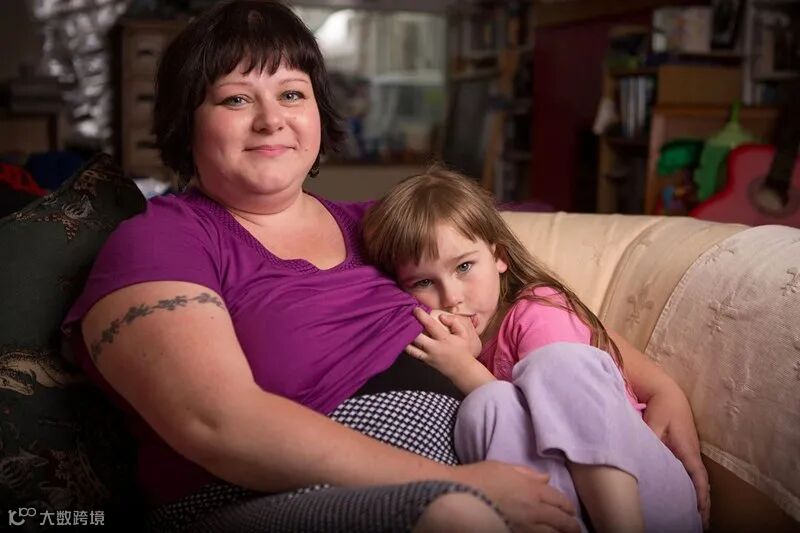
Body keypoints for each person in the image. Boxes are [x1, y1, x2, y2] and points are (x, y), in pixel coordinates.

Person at [60, 1, 707, 531]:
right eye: (235, 99)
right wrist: (459, 483)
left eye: (292, 93)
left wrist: (656, 384)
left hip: (489, 461)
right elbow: (217, 424)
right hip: (256, 499)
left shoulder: (374, 225)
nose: (271, 120)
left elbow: (515, 284)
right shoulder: (160, 242)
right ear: (185, 122)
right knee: (459, 518)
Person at [362, 168, 704, 532]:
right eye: (424, 282)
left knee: (556, 362)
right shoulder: (440, 344)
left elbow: (561, 410)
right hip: (571, 504)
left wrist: (464, 368)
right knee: (483, 407)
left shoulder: (538, 309)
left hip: (643, 492)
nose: (451, 297)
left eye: (464, 266)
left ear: (499, 257)